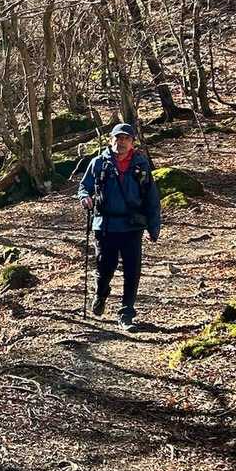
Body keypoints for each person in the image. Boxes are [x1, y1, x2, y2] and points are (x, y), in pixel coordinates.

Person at [77, 123, 161, 330]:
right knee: (105, 267)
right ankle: (101, 292)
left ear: (132, 142)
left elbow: (151, 198)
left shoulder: (141, 165)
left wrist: (153, 227)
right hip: (105, 225)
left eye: (126, 138)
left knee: (132, 270)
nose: (121, 142)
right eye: (118, 138)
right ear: (111, 140)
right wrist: (85, 197)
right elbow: (84, 187)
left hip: (132, 226)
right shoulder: (98, 163)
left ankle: (126, 313)